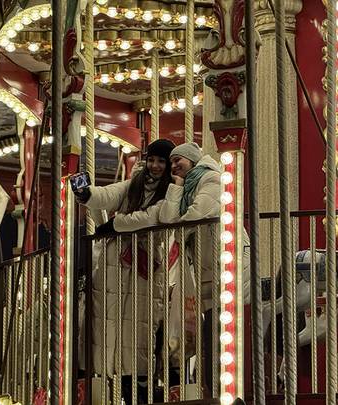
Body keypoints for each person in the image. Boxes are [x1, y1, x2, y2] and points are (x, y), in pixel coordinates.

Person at [75, 138, 176, 404]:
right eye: (151, 160)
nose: (154, 166)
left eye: (161, 161)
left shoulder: (171, 191)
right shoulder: (134, 184)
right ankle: (105, 382)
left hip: (143, 263)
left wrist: (115, 225)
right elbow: (109, 194)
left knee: (140, 327)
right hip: (114, 263)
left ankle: (140, 385)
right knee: (106, 322)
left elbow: (152, 217)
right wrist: (87, 195)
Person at [158, 142, 250, 393]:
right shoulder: (186, 186)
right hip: (209, 264)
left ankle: (227, 389)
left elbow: (195, 214)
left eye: (180, 160)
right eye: (172, 161)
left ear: (193, 159)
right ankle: (211, 385)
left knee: (224, 327)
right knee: (211, 327)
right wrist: (175, 188)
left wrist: (176, 228)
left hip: (226, 258)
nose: (175, 164)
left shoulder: (210, 178)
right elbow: (170, 218)